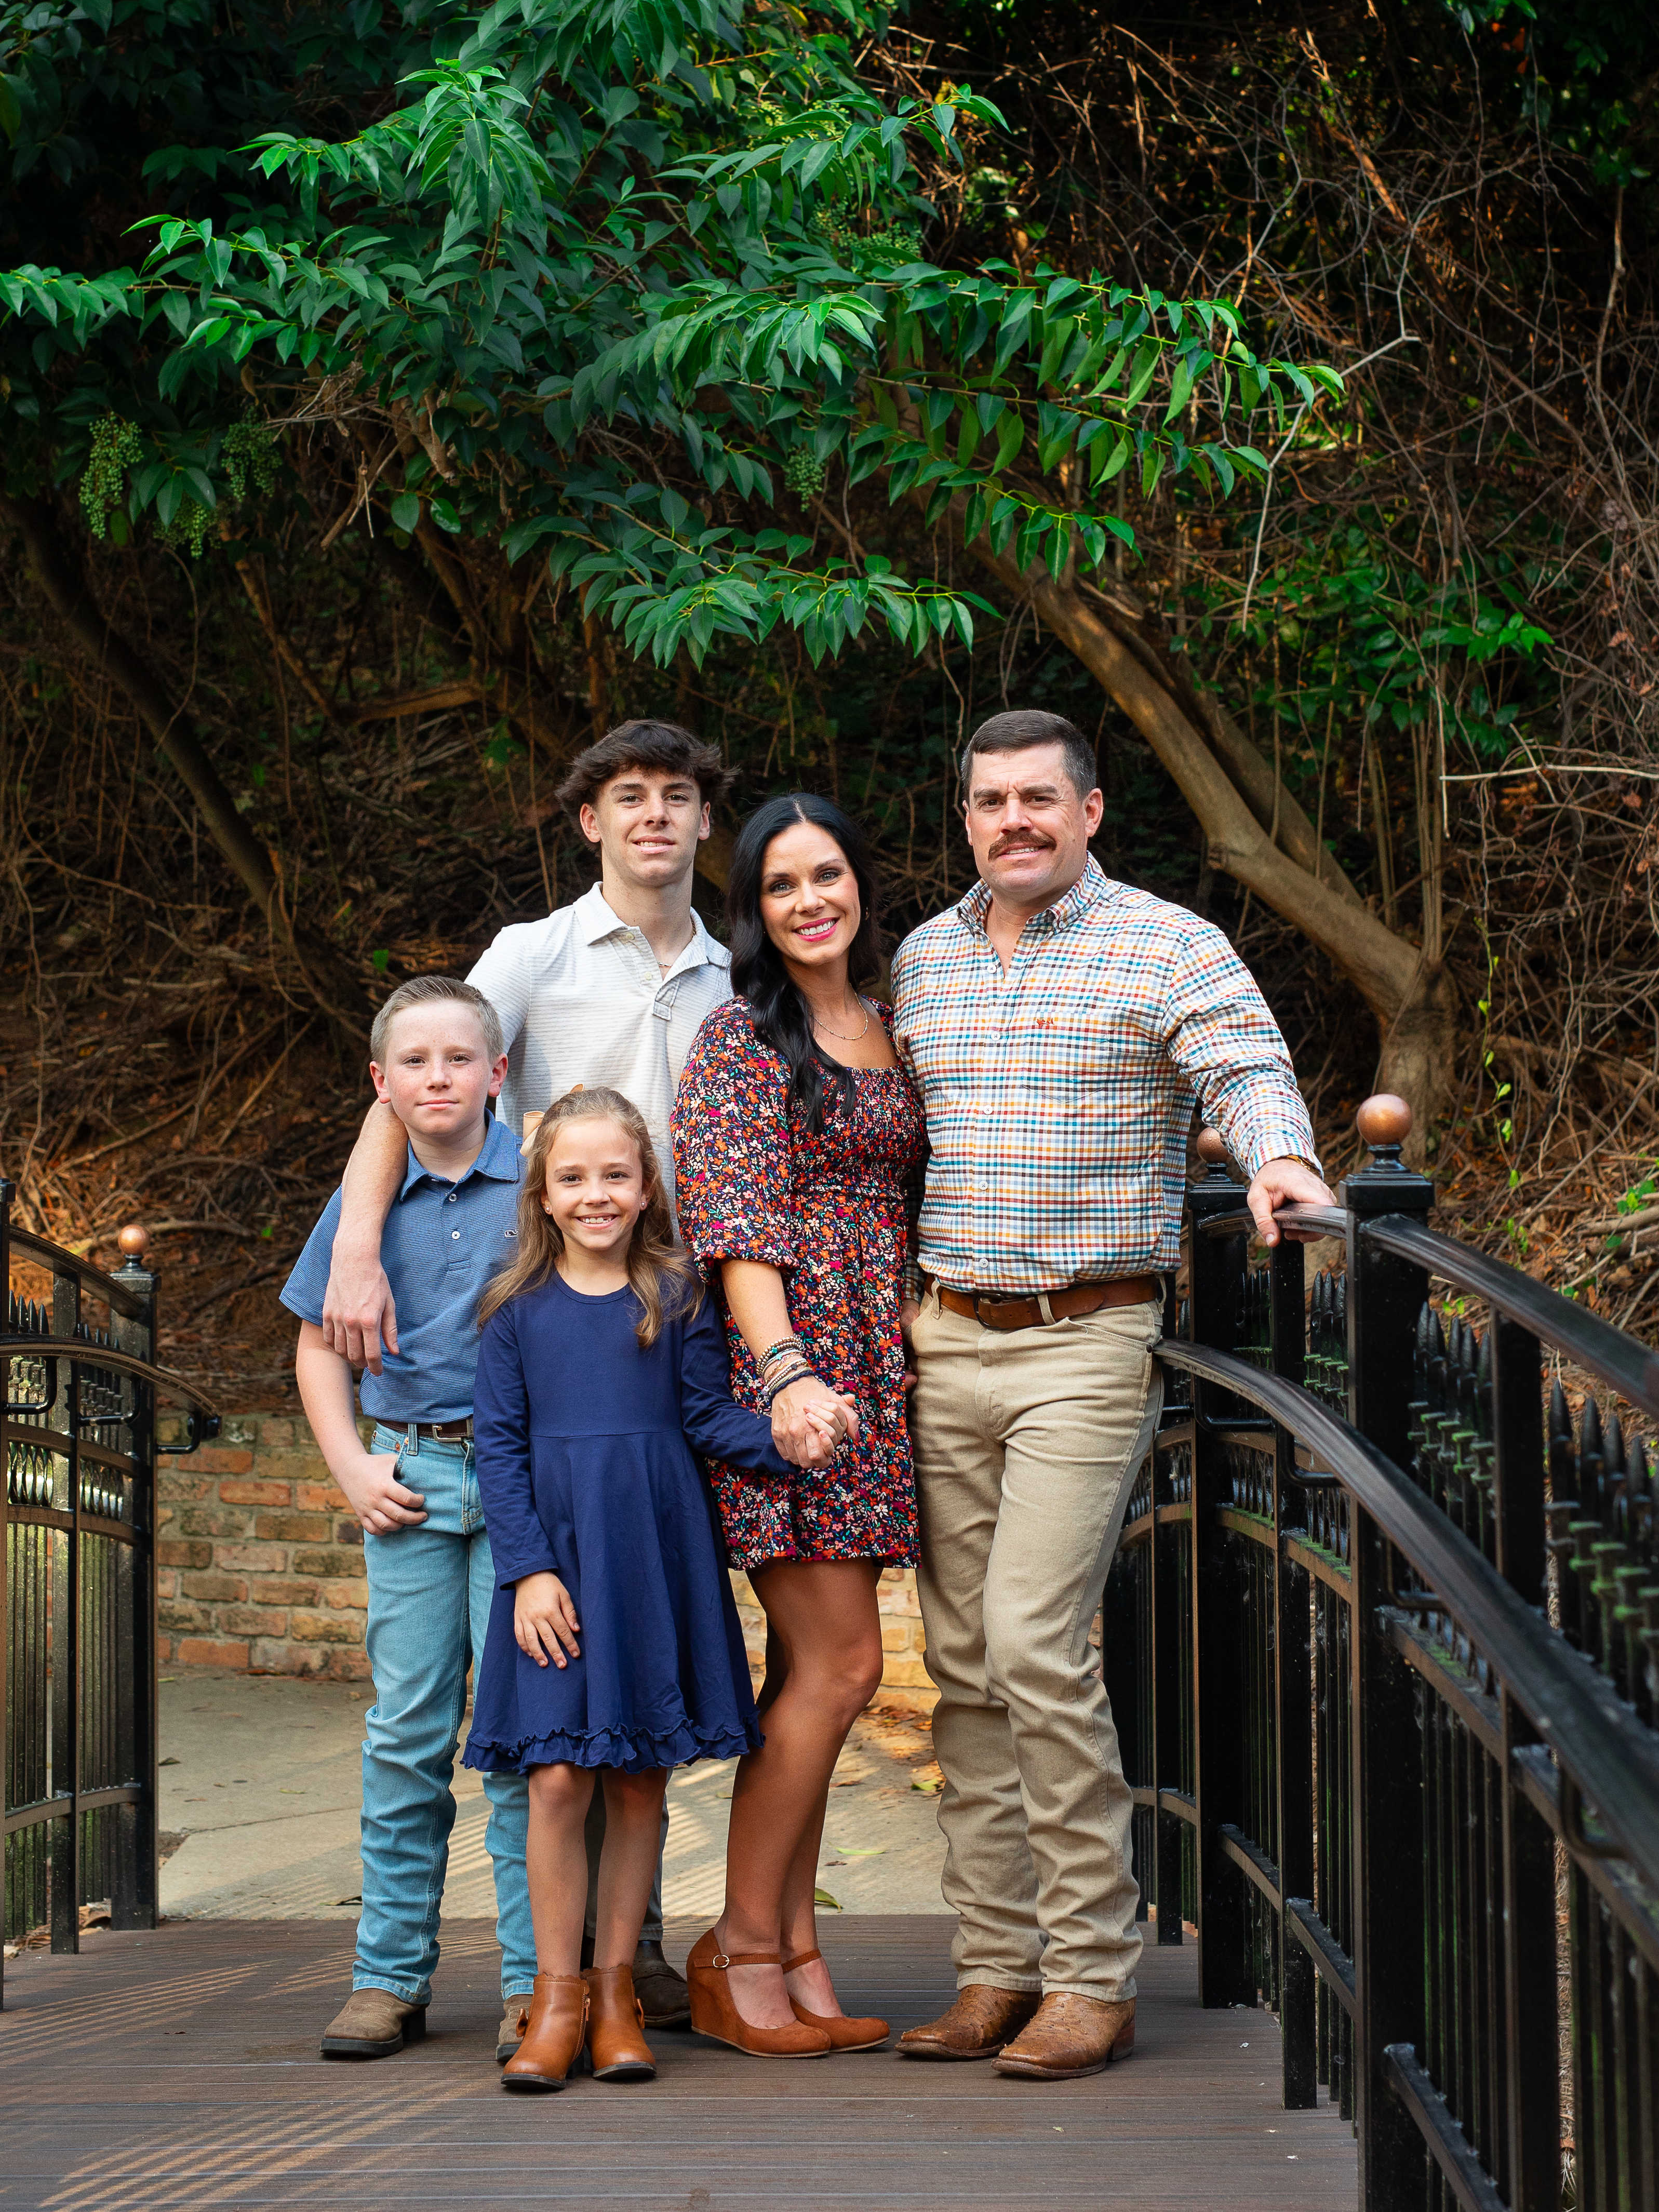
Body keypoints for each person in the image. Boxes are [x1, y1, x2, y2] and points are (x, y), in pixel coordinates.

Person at [890, 707, 1327, 2081]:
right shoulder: (922, 956)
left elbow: (1244, 1065)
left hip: (1085, 1337)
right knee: (957, 1661)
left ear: (1088, 812)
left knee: (1031, 1635)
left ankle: (1091, 1969)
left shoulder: (1164, 942)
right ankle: (992, 1961)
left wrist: (1277, 1158)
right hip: (940, 1332)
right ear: (964, 815)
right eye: (987, 800)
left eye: (1036, 798)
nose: (1010, 820)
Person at [318, 719, 733, 2033]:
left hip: (661, 1341)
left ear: (705, 822)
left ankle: (608, 1963)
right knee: (470, 1724)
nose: (655, 817)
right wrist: (360, 1249)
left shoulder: (741, 970)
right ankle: (480, 1973)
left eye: (678, 797)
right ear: (590, 820)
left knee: (618, 1694)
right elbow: (417, 1087)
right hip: (535, 1360)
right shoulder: (530, 962)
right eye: (629, 797)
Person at [466, 1088, 813, 2088]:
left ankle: (619, 1998)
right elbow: (497, 1449)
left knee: (635, 1780)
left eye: (615, 1174)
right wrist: (527, 1569)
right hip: (557, 1571)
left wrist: (791, 1438)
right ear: (542, 1190)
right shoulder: (514, 1314)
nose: (595, 1194)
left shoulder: (678, 1295)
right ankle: (554, 1998)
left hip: (653, 1558)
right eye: (572, 1177)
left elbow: (708, 1418)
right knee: (557, 1778)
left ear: (646, 1183)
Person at [670, 794, 926, 2057]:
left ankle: (790, 1947)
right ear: (755, 910)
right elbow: (735, 1230)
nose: (811, 900)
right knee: (838, 1671)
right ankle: (740, 1952)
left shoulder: (883, 1023)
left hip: (880, 1368)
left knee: (814, 1683)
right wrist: (784, 1381)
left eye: (829, 874)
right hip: (805, 1379)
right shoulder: (740, 1038)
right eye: (782, 885)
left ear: (858, 883)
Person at [282, 974, 534, 2062]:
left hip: (525, 1493)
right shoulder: (361, 1214)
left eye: (459, 1059)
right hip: (410, 1486)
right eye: (416, 1063)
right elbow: (315, 1350)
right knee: (407, 1735)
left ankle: (537, 1980)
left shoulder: (537, 1185)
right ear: (382, 1086)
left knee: (524, 1742)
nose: (440, 1077)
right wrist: (350, 1466)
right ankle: (389, 1976)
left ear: (498, 1073)